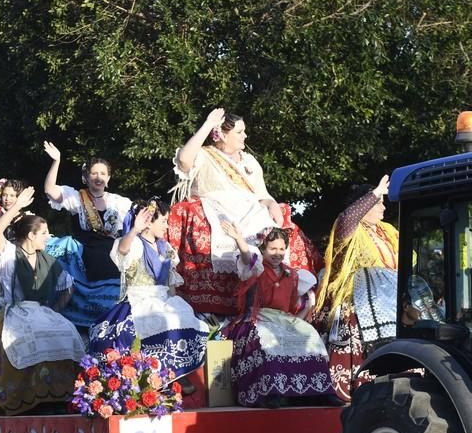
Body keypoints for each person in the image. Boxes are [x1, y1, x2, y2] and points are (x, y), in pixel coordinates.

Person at [168, 109, 322, 316]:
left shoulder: (249, 161)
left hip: (253, 209)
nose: (245, 136)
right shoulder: (204, 155)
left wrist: (272, 203)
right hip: (218, 207)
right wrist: (207, 124)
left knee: (285, 226)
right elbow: (184, 160)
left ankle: (285, 288)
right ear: (221, 134)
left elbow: (263, 194)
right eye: (240, 132)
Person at [0, 187, 86, 416]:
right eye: (44, 233)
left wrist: (54, 310)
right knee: (21, 340)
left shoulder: (48, 259)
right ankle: (22, 398)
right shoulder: (8, 255)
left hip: (42, 312)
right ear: (30, 235)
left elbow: (68, 286)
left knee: (68, 334)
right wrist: (17, 206)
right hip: (15, 312)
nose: (48, 237)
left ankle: (57, 396)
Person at [88, 198, 209, 384]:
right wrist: (135, 230)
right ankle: (158, 374)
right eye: (163, 221)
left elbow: (171, 284)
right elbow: (122, 250)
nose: (167, 226)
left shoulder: (165, 248)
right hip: (139, 301)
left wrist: (176, 304)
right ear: (148, 222)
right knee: (160, 322)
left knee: (186, 319)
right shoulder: (135, 244)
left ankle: (176, 370)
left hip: (163, 300)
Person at [221, 225, 338, 408]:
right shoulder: (257, 268)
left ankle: (320, 390)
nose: (277, 253)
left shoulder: (292, 274)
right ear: (262, 249)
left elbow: (293, 305)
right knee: (267, 340)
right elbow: (247, 257)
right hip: (259, 316)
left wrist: (299, 320)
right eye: (272, 249)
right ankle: (272, 392)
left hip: (283, 318)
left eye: (282, 249)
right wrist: (239, 239)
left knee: (311, 336)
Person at [312, 175, 397, 401]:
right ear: (364, 205)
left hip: (389, 299)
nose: (383, 207)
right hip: (356, 299)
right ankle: (352, 388)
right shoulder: (348, 227)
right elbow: (348, 217)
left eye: (381, 201)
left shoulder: (387, 231)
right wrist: (375, 192)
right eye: (378, 203)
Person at [43, 141, 132, 329]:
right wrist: (57, 161)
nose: (98, 178)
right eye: (94, 173)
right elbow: (50, 190)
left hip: (114, 254)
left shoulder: (119, 202)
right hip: (87, 253)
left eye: (102, 174)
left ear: (108, 178)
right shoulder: (77, 198)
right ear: (87, 177)